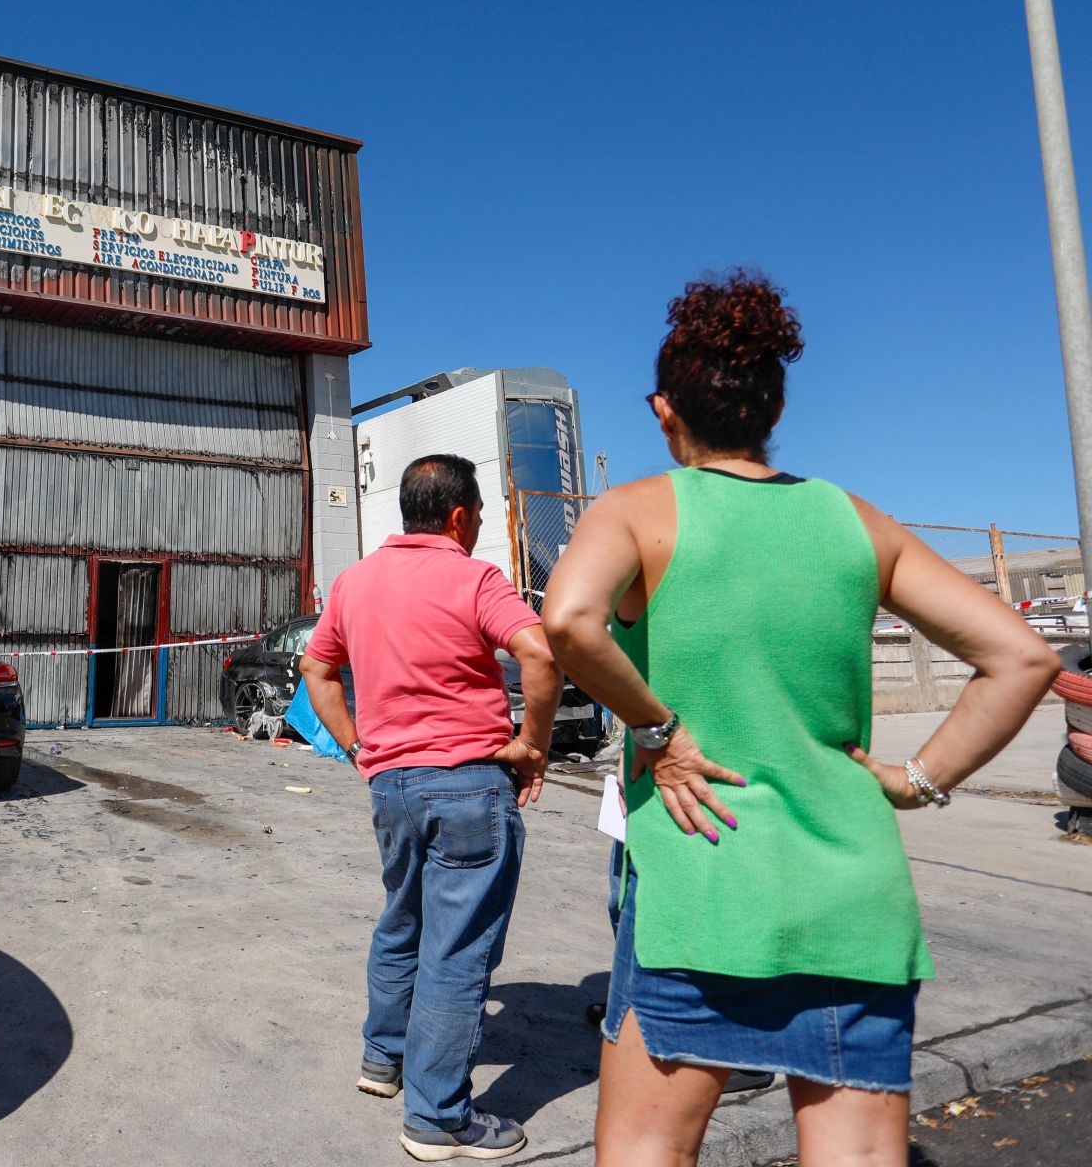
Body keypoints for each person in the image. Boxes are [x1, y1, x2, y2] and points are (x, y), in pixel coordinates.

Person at [541, 271, 1058, 1167]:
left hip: (701, 893)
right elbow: (1024, 657)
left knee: (645, 1149)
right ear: (773, 406)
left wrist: (659, 733)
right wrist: (913, 780)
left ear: (666, 412)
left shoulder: (636, 510)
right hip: (853, 900)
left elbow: (568, 622)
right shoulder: (858, 522)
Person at [302, 453, 561, 1162]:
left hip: (393, 787)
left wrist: (359, 745)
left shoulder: (355, 582)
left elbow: (317, 670)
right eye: (477, 517)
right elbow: (538, 655)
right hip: (468, 783)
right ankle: (438, 1117)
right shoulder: (473, 576)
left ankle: (382, 1061)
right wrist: (531, 743)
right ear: (457, 516)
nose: (477, 529)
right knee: (458, 950)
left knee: (403, 921)